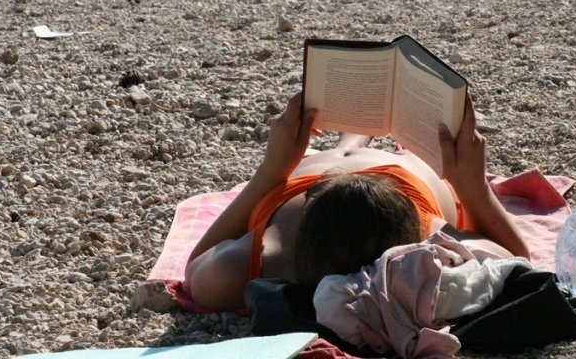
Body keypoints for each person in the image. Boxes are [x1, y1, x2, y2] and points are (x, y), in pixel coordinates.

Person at [184, 92, 529, 311]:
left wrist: (271, 171)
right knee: (351, 149)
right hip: (405, 178)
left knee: (345, 150)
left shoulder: (258, 261)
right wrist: (472, 188)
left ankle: (362, 123)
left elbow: (195, 264)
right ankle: (366, 123)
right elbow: (516, 260)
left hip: (318, 171)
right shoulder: (431, 235)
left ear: (309, 207)